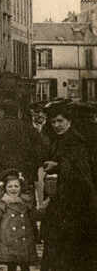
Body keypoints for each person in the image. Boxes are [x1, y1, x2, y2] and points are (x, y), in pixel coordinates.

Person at [40, 104, 97, 271]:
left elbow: (81, 172)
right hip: (63, 200)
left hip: (76, 202)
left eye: (60, 121)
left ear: (69, 121)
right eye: (53, 122)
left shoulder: (75, 142)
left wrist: (56, 166)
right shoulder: (61, 139)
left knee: (70, 247)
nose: (56, 125)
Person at [0, 169, 46, 271]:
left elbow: (34, 216)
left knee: (25, 264)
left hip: (24, 239)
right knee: (11, 264)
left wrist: (44, 208)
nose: (13, 189)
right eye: (10, 186)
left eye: (16, 186)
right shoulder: (1, 203)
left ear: (21, 188)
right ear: (4, 188)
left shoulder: (25, 202)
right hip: (8, 239)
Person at [0, 99, 44, 199]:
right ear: (19, 112)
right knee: (25, 208)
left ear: (2, 112)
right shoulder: (30, 130)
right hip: (25, 176)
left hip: (1, 177)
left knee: (0, 208)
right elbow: (39, 155)